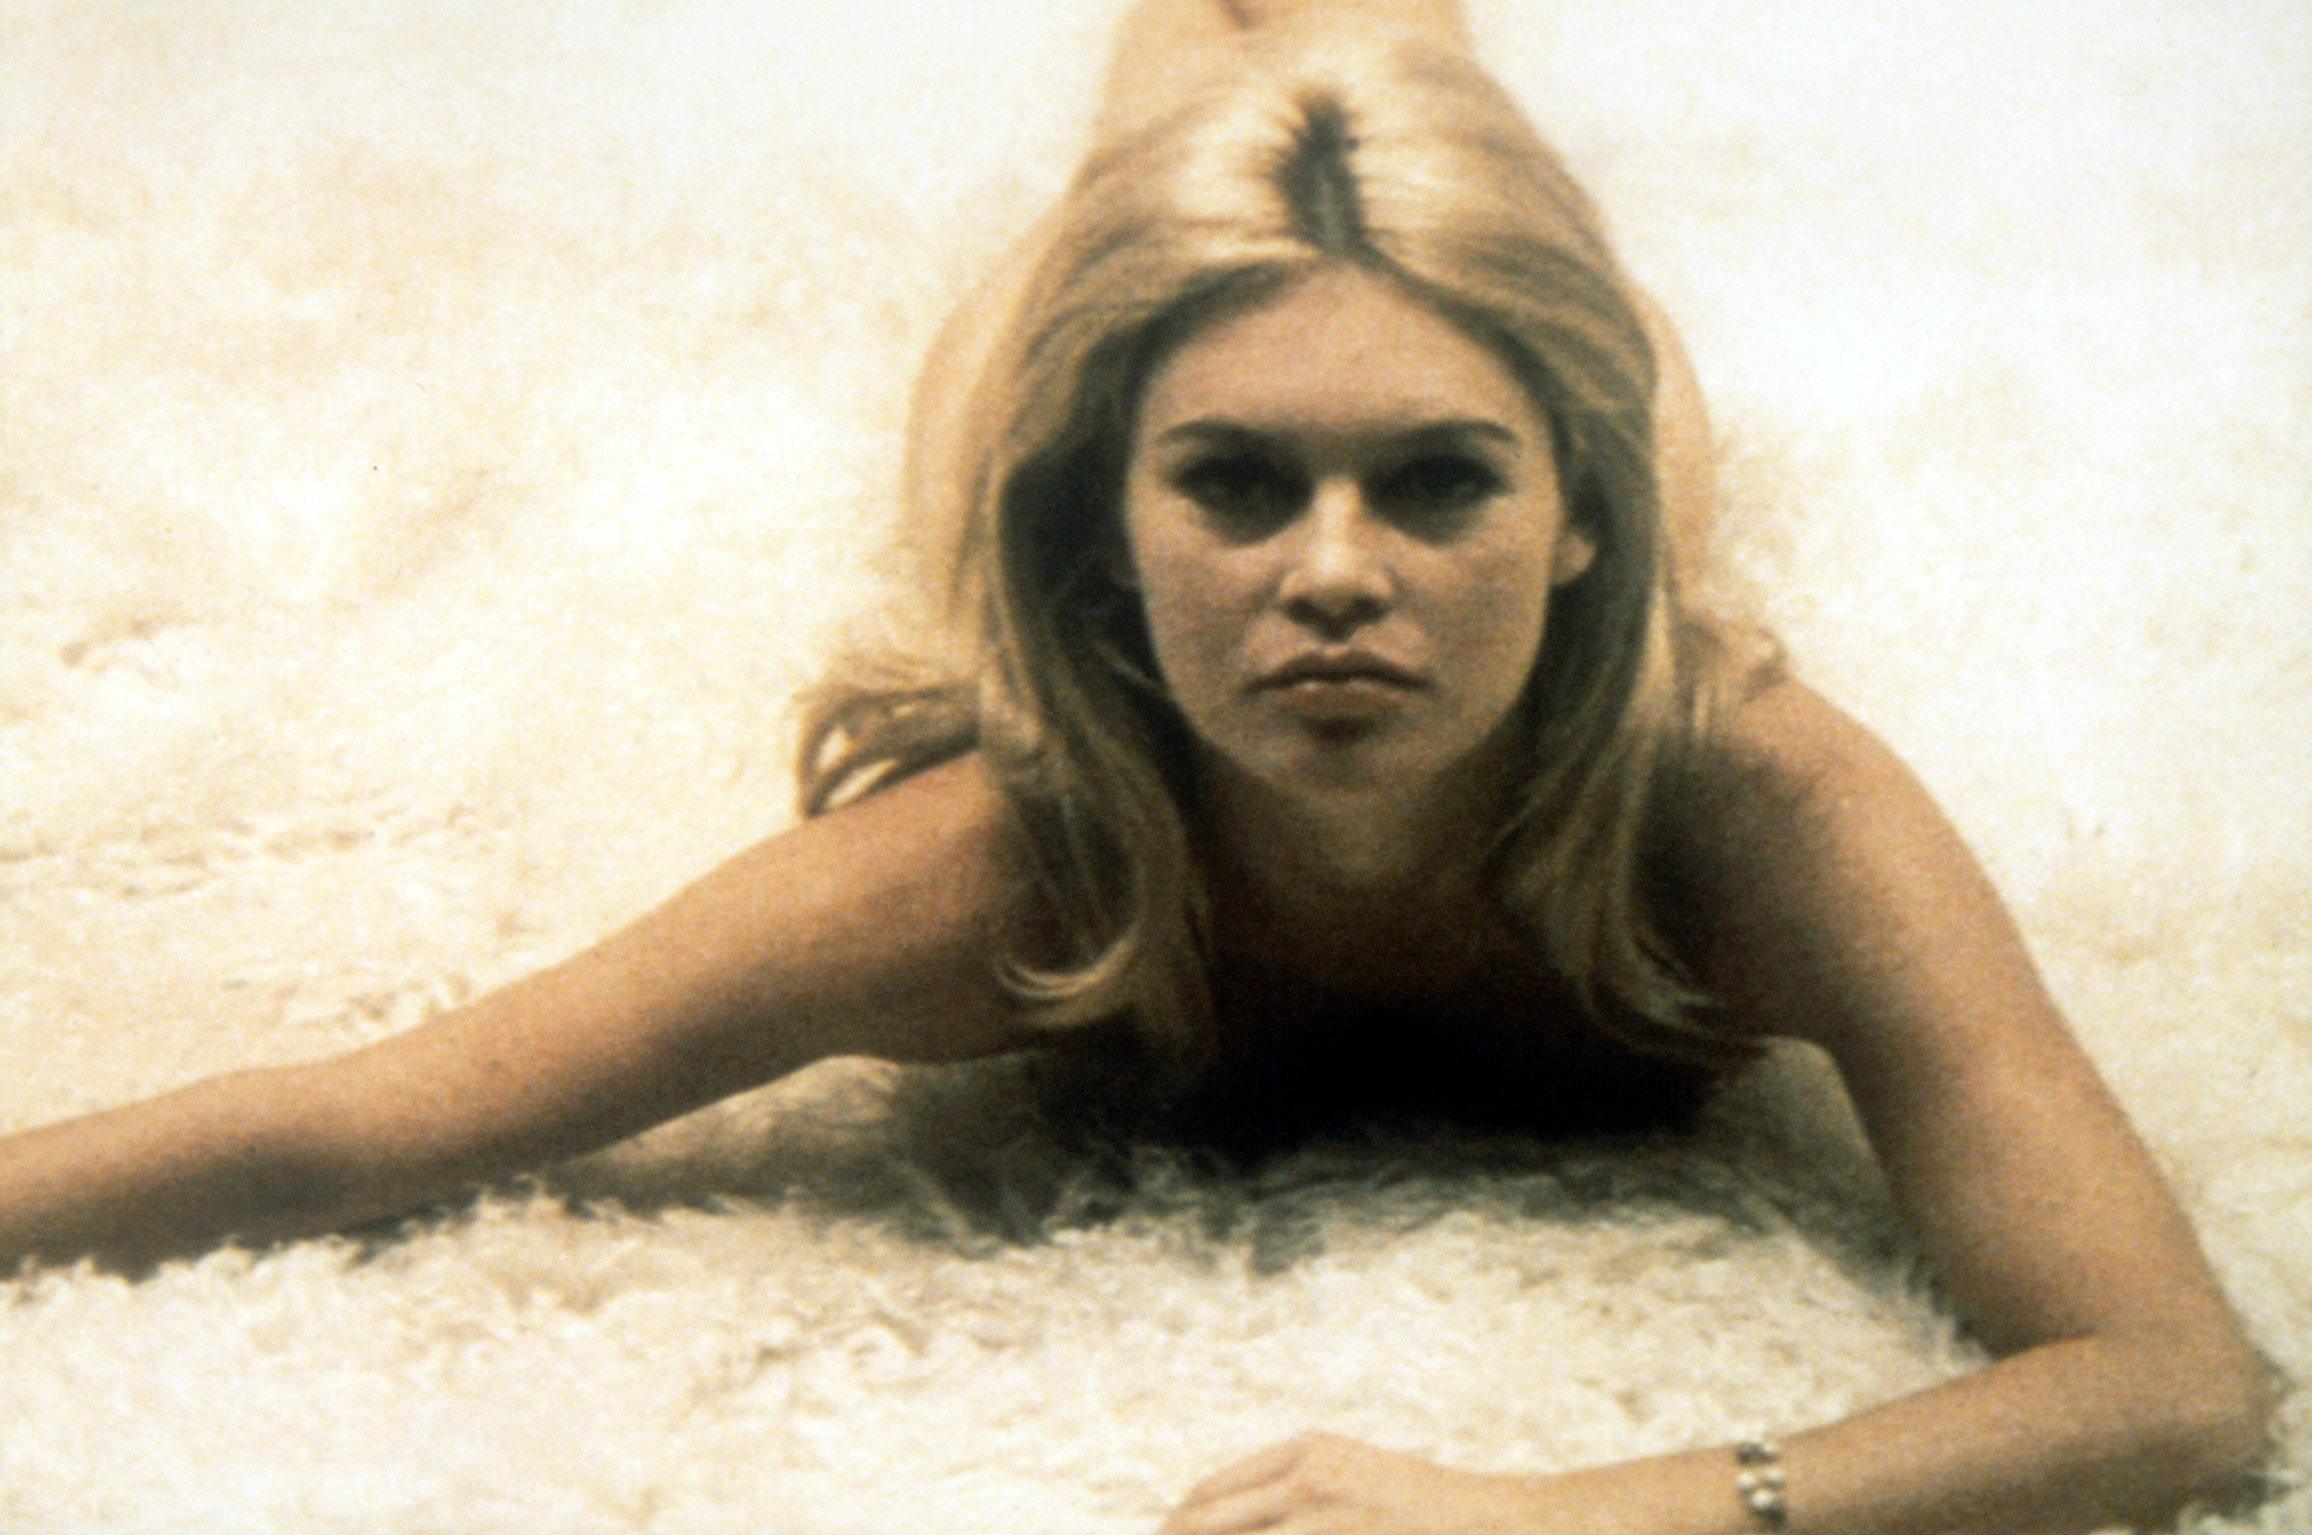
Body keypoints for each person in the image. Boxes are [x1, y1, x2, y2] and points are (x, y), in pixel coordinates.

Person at [0, 1, 2273, 1529]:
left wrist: (1585, 1515)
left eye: (1440, 485)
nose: (1335, 575)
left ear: (1585, 517)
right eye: (1236, 488)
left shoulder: (1758, 802)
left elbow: (2173, 1381)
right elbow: (368, 1116)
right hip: (1080, 414)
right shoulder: (991, 869)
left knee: (1389, 89)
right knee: (1191, 101)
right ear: (1107, 519)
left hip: (1568, 550)